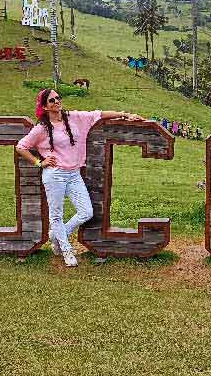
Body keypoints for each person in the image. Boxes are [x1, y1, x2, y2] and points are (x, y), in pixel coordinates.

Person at [15, 89, 143, 268]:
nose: (57, 102)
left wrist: (125, 115)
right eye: (52, 100)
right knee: (56, 215)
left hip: (74, 173)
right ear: (45, 106)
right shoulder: (42, 128)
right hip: (55, 175)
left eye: (58, 98)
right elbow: (21, 147)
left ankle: (56, 236)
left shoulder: (74, 117)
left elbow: (98, 114)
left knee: (86, 211)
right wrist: (39, 162)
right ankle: (66, 250)